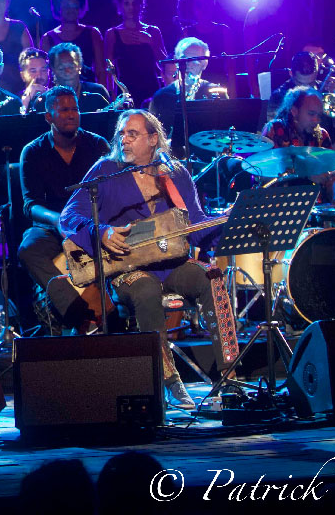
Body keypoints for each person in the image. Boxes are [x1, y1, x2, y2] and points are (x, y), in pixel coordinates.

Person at [59, 110, 221, 409]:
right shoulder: (106, 169)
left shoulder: (175, 173)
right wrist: (102, 232)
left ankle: (229, 375)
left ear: (153, 139)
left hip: (171, 264)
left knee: (211, 276)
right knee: (145, 290)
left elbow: (196, 225)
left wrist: (225, 223)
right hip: (127, 269)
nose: (124, 139)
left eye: (132, 134)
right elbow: (69, 216)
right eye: (121, 133)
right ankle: (169, 380)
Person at [18, 87, 110, 329]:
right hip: (52, 226)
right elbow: (30, 205)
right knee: (28, 248)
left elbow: (112, 191)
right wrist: (59, 220)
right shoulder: (33, 152)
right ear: (49, 117)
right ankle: (75, 310)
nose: (72, 115)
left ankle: (116, 308)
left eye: (75, 109)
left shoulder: (97, 145)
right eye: (64, 110)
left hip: (91, 222)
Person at [267, 49, 335, 153]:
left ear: (316, 72)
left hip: (327, 155)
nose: (305, 89)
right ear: (290, 73)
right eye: (300, 84)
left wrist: (328, 157)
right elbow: (275, 134)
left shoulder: (328, 91)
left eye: (310, 84)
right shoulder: (279, 96)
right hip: (291, 158)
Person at [261, 87, 335, 189]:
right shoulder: (275, 129)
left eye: (319, 115)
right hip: (280, 199)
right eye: (311, 114)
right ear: (294, 111)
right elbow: (264, 173)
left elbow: (333, 174)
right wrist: (307, 173)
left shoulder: (322, 135)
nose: (316, 120)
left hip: (315, 201)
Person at [148, 37, 226, 137]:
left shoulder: (216, 92)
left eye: (195, 60)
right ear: (176, 61)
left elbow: (226, 136)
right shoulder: (161, 96)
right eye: (185, 59)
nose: (189, 65)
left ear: (205, 64)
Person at [104, 0, 166, 104]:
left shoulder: (153, 31)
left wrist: (151, 42)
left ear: (141, 5)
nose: (131, 7)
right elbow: (108, 70)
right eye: (126, 3)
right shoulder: (112, 33)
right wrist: (111, 95)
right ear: (120, 7)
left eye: (135, 3)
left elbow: (165, 65)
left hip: (151, 89)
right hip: (125, 92)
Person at [38, 0, 105, 86]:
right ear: (58, 8)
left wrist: (104, 96)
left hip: (89, 91)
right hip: (59, 94)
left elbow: (101, 71)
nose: (71, 10)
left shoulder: (93, 33)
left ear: (81, 8)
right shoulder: (48, 38)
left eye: (74, 6)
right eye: (66, 6)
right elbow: (46, 73)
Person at [174, 0, 234, 95]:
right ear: (194, 9)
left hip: (220, 83)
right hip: (195, 85)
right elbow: (182, 66)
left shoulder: (224, 30)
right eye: (199, 6)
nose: (203, 10)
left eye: (207, 5)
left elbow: (231, 65)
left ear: (212, 7)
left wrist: (233, 94)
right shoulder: (187, 32)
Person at [39, 43, 111, 113]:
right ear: (53, 69)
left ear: (79, 66)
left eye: (71, 66)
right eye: (61, 68)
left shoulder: (97, 91)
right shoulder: (44, 100)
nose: (67, 71)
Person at [17, 47, 50, 113]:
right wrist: (26, 100)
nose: (39, 75)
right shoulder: (15, 100)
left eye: (43, 70)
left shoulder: (57, 97)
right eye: (33, 71)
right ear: (23, 75)